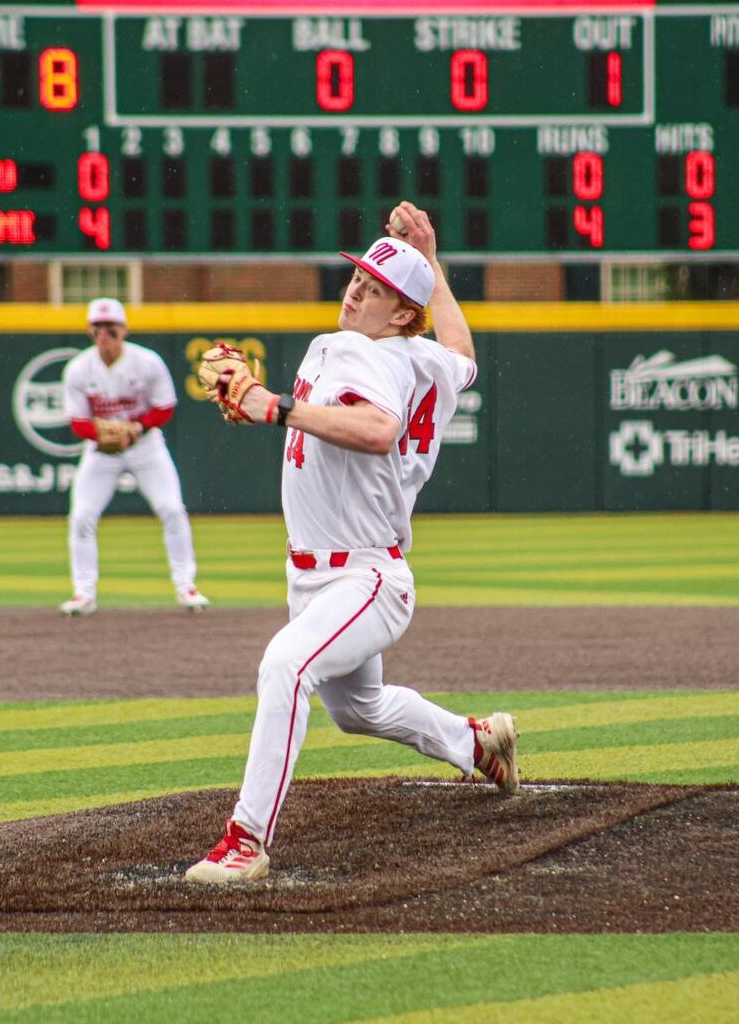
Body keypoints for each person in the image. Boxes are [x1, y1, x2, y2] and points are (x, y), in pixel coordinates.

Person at [184, 201, 516, 884]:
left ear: (398, 314)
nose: (355, 288)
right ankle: (477, 742)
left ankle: (245, 840)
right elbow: (463, 354)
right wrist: (432, 261)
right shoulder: (421, 358)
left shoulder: (358, 352)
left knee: (285, 667)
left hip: (363, 576)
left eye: (374, 287)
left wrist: (273, 405)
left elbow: (377, 431)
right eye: (357, 277)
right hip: (323, 573)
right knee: (358, 709)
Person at [58, 297, 209, 616]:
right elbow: (77, 421)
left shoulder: (147, 361)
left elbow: (165, 406)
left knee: (171, 508)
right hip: (102, 453)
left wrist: (137, 428)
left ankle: (186, 586)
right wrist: (102, 434)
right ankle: (83, 593)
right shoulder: (79, 369)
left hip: (145, 447)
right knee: (82, 515)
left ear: (124, 329)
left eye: (110, 327)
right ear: (90, 331)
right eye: (98, 328)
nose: (104, 334)